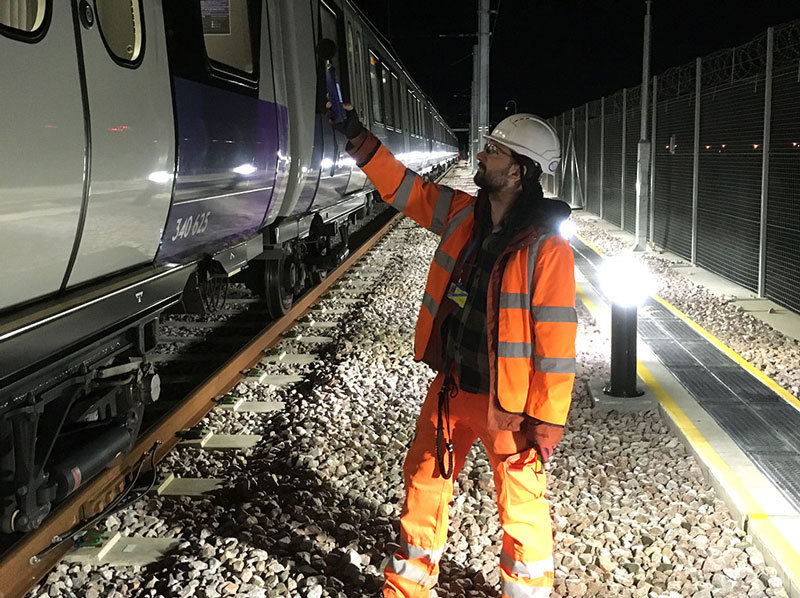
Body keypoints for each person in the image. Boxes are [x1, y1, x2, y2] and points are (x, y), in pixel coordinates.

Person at [331, 105, 578, 598]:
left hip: (506, 405)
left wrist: (546, 423)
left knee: (521, 500)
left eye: (494, 151)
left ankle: (526, 591)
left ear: (518, 171)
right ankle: (407, 587)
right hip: (452, 387)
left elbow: (556, 349)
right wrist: (357, 136)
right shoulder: (466, 214)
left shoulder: (548, 250)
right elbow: (406, 189)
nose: (481, 156)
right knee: (424, 479)